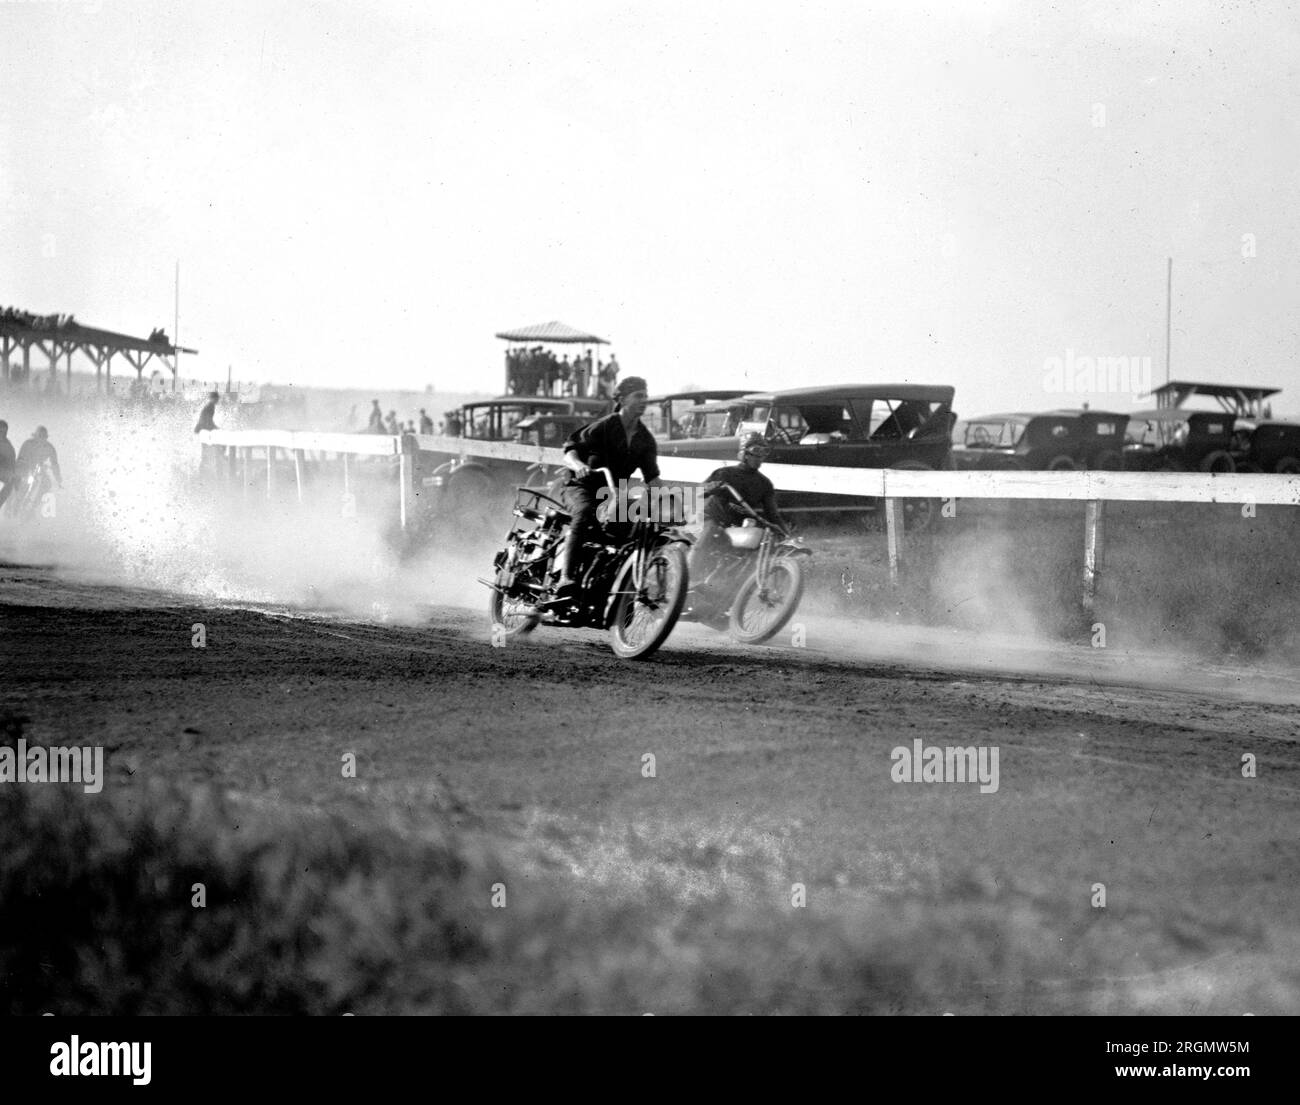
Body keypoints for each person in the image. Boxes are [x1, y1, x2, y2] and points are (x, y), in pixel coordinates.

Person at [549, 375, 660, 601]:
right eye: (638, 396)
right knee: (584, 513)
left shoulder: (645, 439)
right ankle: (565, 578)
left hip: (611, 496)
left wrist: (668, 502)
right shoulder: (605, 426)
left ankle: (610, 589)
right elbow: (570, 450)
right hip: (579, 486)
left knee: (635, 529)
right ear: (622, 398)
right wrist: (578, 465)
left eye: (646, 397)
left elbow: (653, 478)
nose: (644, 401)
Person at [688, 432, 787, 586]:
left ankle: (730, 592)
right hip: (711, 518)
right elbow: (698, 491)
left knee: (755, 547)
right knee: (711, 531)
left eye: (763, 452)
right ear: (745, 453)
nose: (759, 457)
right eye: (756, 451)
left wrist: (784, 534)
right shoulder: (725, 473)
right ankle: (688, 579)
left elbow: (773, 515)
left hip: (736, 528)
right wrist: (711, 487)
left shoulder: (764, 483)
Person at [16, 425, 63, 493]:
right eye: (40, 436)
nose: (41, 439)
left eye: (44, 436)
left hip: (38, 470)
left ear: (46, 437)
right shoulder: (28, 443)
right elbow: (20, 458)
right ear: (35, 436)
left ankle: (37, 501)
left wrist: (58, 478)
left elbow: (55, 464)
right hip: (25, 467)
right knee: (18, 482)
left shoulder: (50, 448)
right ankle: (12, 497)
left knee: (47, 484)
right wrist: (20, 469)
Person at [0, 420, 16, 510]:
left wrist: (12, 473)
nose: (1, 434)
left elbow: (12, 462)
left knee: (11, 482)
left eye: (4, 432)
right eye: (0, 431)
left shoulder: (8, 446)